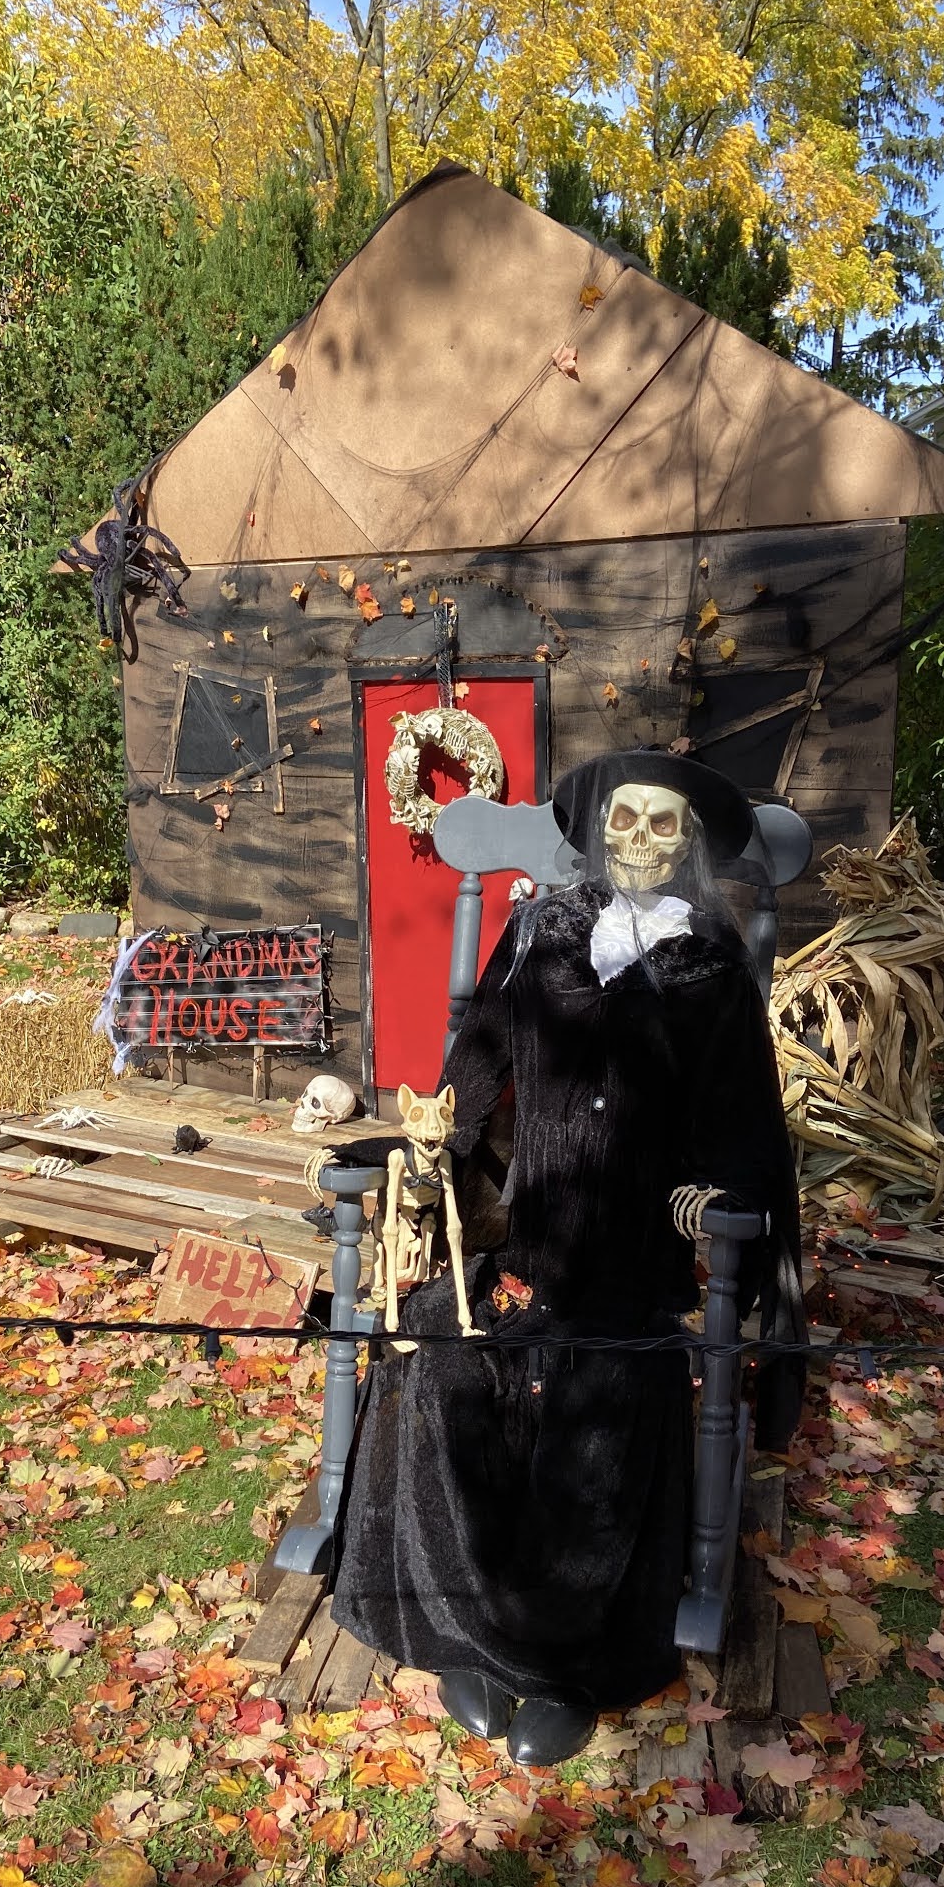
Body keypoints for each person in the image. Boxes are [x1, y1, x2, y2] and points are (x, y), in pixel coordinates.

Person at [330, 750, 803, 1766]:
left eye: (663, 824)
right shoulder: (540, 936)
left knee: (604, 1412)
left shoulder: (712, 972)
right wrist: (427, 1156)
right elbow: (473, 1070)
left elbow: (745, 1129)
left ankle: (555, 1664)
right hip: (525, 1261)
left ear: (689, 841)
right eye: (623, 819)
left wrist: (719, 1198)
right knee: (437, 1360)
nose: (639, 841)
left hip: (633, 1283)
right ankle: (463, 1625)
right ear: (597, 831)